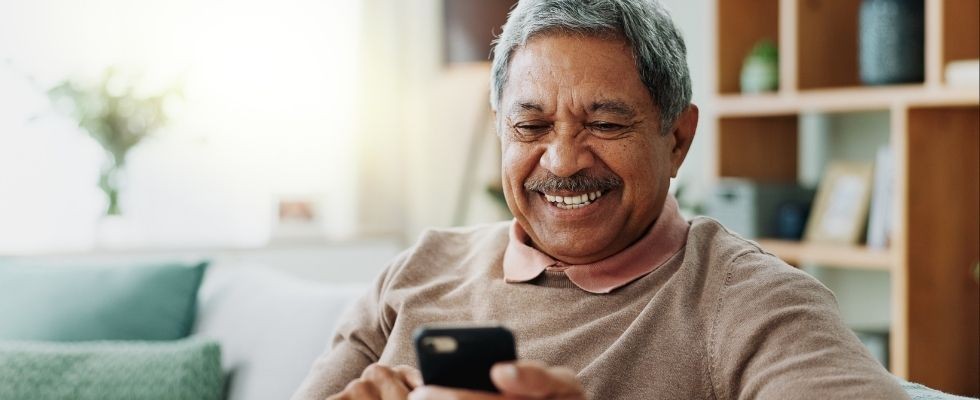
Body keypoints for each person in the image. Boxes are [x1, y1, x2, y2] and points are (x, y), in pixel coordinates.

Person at [293, 0, 908, 399]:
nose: (562, 161)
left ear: (678, 139)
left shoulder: (750, 301)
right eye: (531, 127)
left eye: (606, 125)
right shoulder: (415, 271)